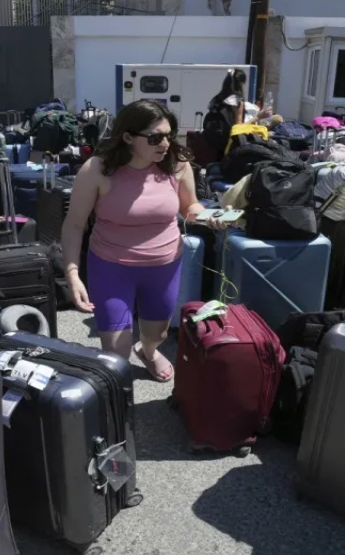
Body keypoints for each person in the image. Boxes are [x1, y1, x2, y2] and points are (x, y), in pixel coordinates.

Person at [61, 100, 228, 382]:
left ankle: (148, 352)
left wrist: (210, 216)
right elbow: (74, 225)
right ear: (128, 137)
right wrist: (72, 274)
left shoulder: (177, 164)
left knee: (157, 334)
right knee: (115, 354)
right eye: (155, 138)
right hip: (110, 266)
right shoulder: (97, 170)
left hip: (163, 266)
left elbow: (190, 208)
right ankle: (118, 405)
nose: (165, 143)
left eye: (169, 135)